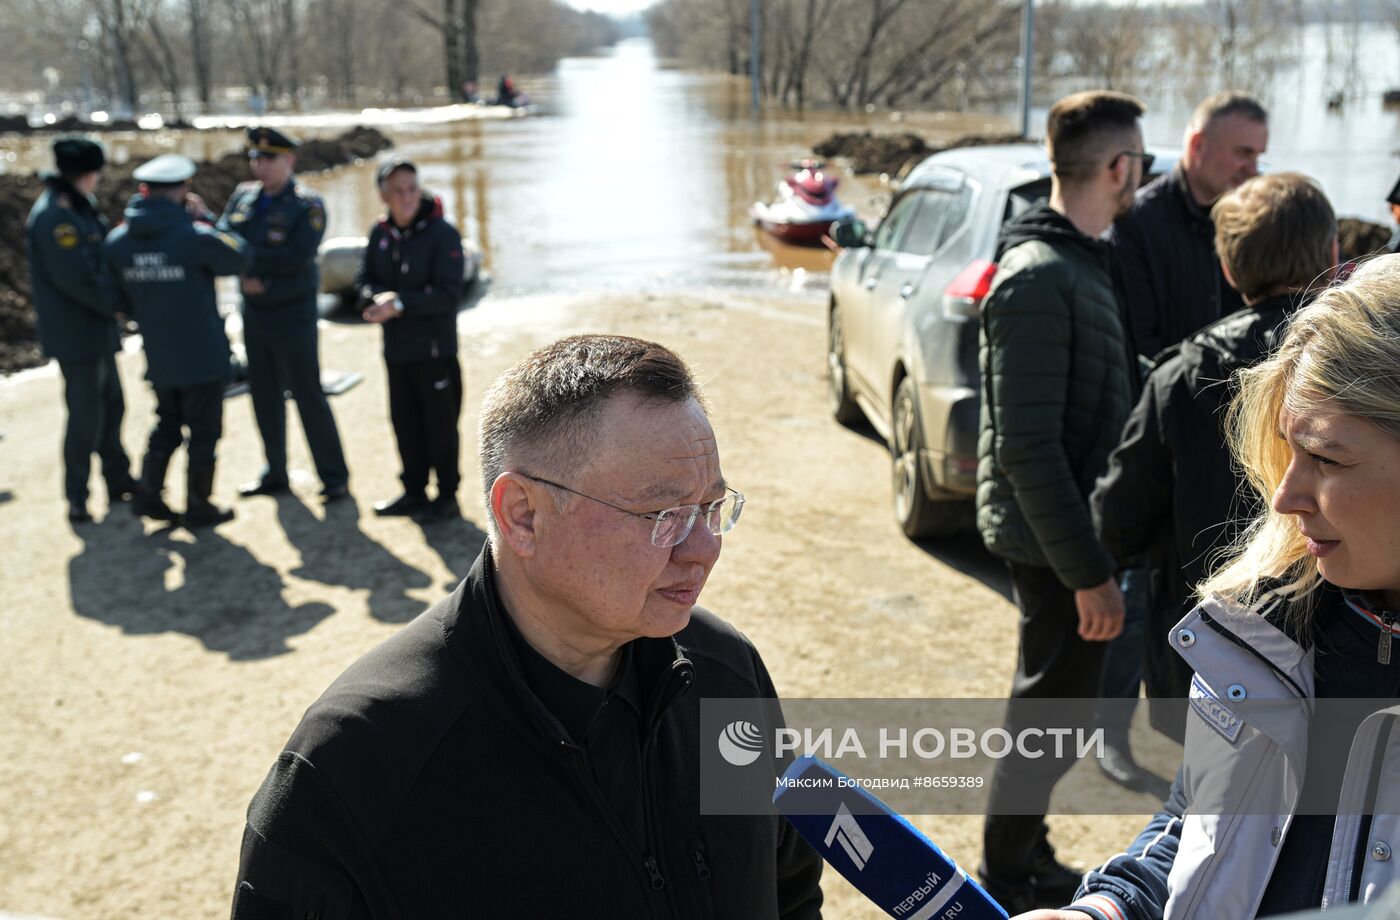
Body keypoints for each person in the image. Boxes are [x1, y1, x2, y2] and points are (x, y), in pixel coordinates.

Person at [231, 334, 824, 918]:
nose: (703, 549)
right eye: (663, 514)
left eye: (711, 508)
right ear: (523, 515)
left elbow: (791, 891)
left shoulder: (726, 673)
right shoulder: (352, 769)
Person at [1019, 254, 1400, 920]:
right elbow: (1199, 818)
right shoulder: (1268, 623)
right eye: (1288, 452)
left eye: (1328, 459)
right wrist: (1107, 909)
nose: (1285, 497)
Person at [1091, 173, 1340, 744]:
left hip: (1209, 652)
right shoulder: (1361, 370)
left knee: (1209, 812)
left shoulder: (1180, 376)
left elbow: (1118, 518)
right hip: (1336, 648)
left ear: (1228, 269)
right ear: (1332, 253)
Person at [975, 90, 1146, 912]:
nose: (1140, 178)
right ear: (1117, 167)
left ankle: (1025, 852)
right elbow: (1026, 447)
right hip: (1056, 544)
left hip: (1071, 534)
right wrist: (1088, 573)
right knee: (1045, 714)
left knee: (1055, 711)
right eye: (1138, 164)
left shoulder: (1077, 259)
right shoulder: (1039, 277)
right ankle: (1009, 875)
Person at [102, 154, 252, 527]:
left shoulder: (117, 241)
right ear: (184, 192)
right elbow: (240, 256)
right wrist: (210, 219)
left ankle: (149, 495)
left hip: (160, 355)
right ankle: (199, 505)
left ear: (143, 192)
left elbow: (115, 298)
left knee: (166, 424)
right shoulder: (194, 235)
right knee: (204, 432)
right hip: (203, 355)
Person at [218, 126, 350, 503]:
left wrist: (250, 267)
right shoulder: (243, 197)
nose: (259, 164)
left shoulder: (308, 205)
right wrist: (246, 272)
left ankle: (334, 477)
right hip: (254, 313)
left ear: (289, 160)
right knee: (263, 395)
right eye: (255, 157)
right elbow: (224, 241)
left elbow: (296, 255)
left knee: (307, 392)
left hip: (292, 314)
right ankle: (274, 471)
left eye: (268, 158)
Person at [25, 136, 136, 523]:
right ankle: (77, 496)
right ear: (84, 173)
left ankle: (119, 480)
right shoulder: (56, 217)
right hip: (77, 335)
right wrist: (120, 306)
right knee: (86, 418)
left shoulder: (77, 206)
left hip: (97, 332)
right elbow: (76, 279)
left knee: (113, 409)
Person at [1111, 91, 1269, 362]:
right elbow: (1139, 345)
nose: (1253, 170)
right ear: (1197, 145)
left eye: (1258, 156)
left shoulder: (1261, 219)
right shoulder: (1136, 224)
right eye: (1243, 153)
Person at [355, 157, 467, 523]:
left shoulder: (443, 233)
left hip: (435, 352)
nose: (407, 197)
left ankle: (446, 496)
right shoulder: (380, 233)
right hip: (397, 351)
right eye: (398, 191)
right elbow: (364, 279)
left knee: (440, 427)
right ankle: (414, 491)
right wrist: (372, 299)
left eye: (412, 189)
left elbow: (450, 294)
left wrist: (400, 303)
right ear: (384, 195)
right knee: (404, 423)